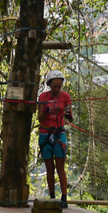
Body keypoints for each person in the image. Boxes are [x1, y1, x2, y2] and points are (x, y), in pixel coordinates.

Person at [38, 69, 73, 206]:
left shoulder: (66, 97)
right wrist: (47, 110)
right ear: (49, 85)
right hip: (45, 133)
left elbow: (71, 116)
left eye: (59, 86)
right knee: (49, 167)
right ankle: (52, 196)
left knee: (60, 167)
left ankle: (64, 198)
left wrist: (67, 113)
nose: (57, 89)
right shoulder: (43, 97)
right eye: (54, 87)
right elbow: (40, 117)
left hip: (59, 133)